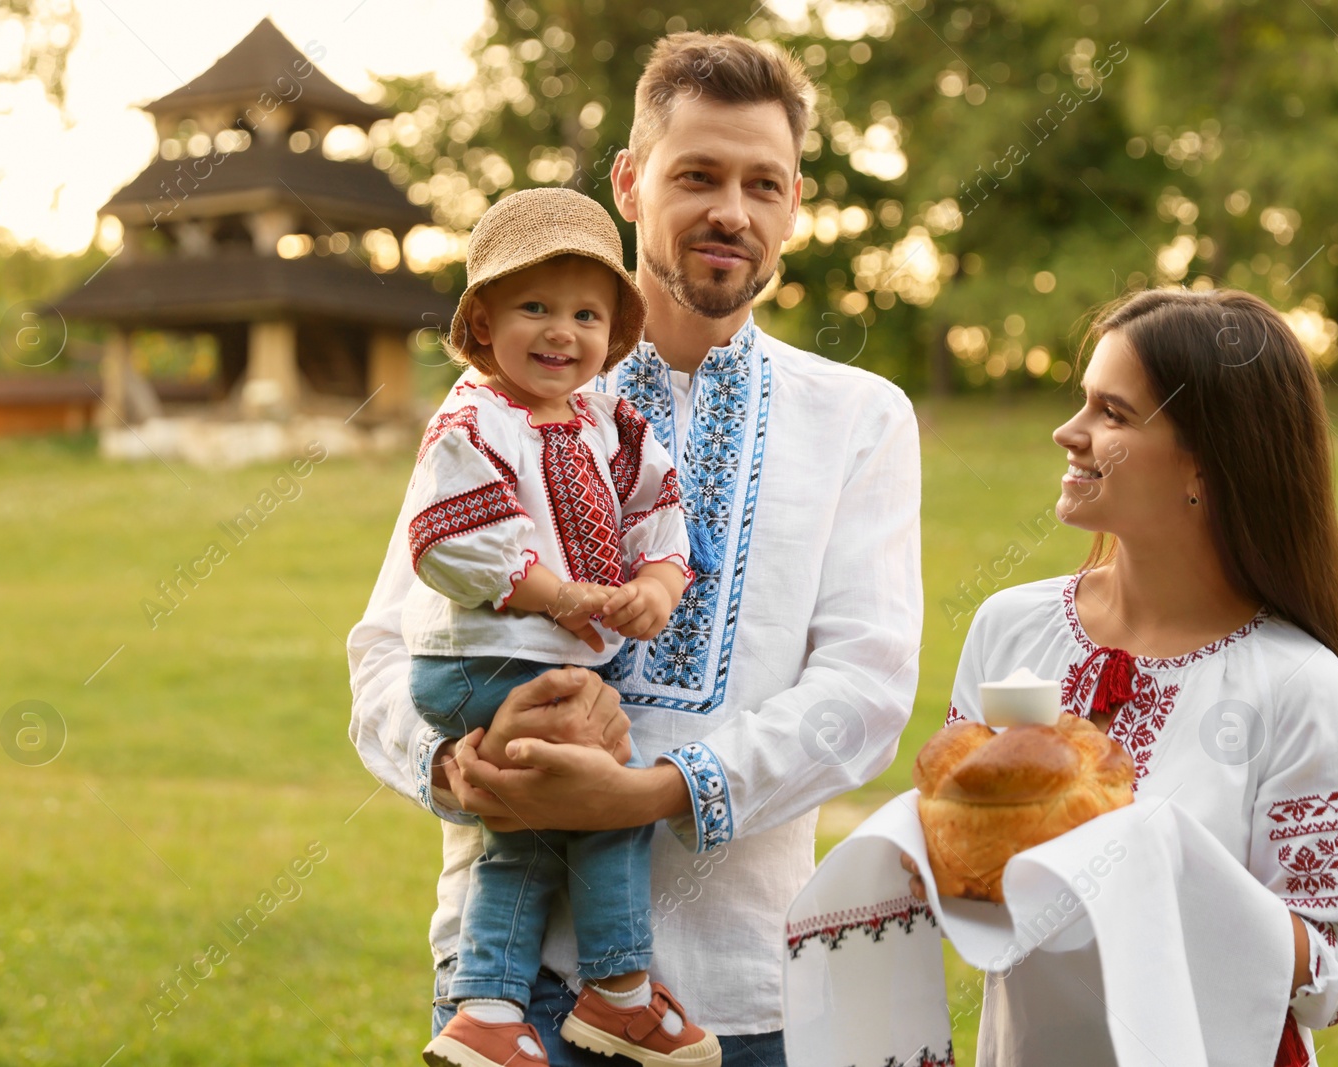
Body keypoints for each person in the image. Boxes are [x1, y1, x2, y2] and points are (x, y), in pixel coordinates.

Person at [347, 31, 923, 1066]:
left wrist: (657, 790)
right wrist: (459, 762)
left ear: (795, 200)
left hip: (741, 986)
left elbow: (866, 691)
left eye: (763, 183)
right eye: (696, 174)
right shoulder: (499, 399)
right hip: (507, 995)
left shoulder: (859, 418)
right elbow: (386, 654)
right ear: (628, 182)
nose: (730, 212)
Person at [903, 288, 1338, 1066]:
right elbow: (964, 872)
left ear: (1206, 460)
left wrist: (1168, 866)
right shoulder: (1012, 628)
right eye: (1081, 403)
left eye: (1113, 413)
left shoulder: (1297, 683)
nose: (1069, 431)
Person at [405, 186, 717, 1066]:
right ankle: (616, 988)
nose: (561, 331)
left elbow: (662, 515)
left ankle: (489, 1010)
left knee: (536, 816)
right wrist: (559, 595)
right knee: (599, 786)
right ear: (482, 325)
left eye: (586, 313)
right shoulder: (474, 420)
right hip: (484, 656)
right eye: (534, 306)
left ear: (612, 336)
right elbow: (452, 541)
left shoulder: (610, 422)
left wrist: (654, 585)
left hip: (533, 652)